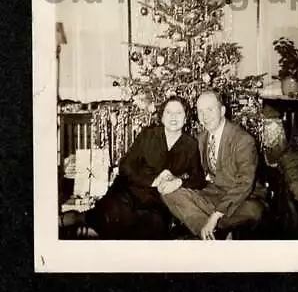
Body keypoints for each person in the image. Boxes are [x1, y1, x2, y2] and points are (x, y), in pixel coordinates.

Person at [59, 96, 206, 240]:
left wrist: (178, 182)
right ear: (162, 117)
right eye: (169, 112)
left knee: (154, 226)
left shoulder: (190, 145)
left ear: (186, 118)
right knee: (112, 213)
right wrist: (153, 180)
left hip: (156, 200)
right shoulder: (149, 135)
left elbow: (198, 179)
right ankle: (75, 221)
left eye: (179, 113)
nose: (173, 117)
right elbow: (125, 165)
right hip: (130, 189)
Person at [162, 90, 267, 240]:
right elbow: (188, 170)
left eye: (210, 110)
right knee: (169, 191)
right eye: (200, 111)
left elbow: (245, 184)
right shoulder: (200, 139)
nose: (205, 116)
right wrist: (173, 178)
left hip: (244, 199)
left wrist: (216, 215)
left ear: (222, 111)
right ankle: (209, 232)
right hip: (213, 194)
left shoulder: (243, 140)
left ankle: (210, 226)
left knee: (252, 211)